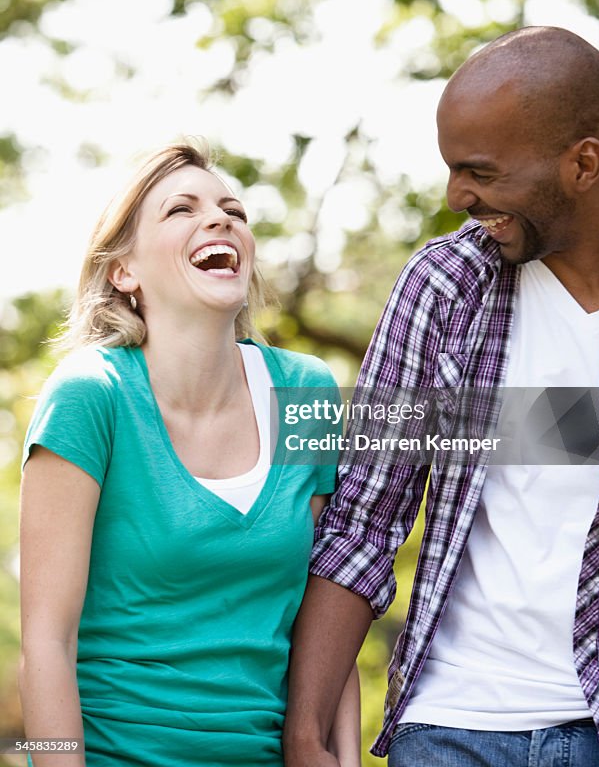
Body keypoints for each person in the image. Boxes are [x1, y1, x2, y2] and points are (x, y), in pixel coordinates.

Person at [283, 26, 599, 767]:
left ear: (582, 165)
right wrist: (305, 735)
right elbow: (366, 519)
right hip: (450, 729)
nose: (456, 197)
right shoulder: (442, 287)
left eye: (480, 173)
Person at [19, 142, 360, 767]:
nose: (221, 218)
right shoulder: (90, 398)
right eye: (181, 208)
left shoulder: (305, 391)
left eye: (234, 209)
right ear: (125, 271)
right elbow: (46, 644)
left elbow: (324, 609)